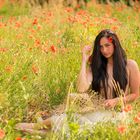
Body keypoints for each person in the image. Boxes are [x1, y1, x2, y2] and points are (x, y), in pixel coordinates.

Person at [15, 29, 140, 134]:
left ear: (115, 45)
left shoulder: (130, 65)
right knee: (69, 118)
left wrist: (116, 101)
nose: (104, 50)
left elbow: (135, 95)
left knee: (77, 125)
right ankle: (38, 128)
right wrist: (84, 60)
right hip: (98, 112)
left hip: (118, 115)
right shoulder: (96, 67)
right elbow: (81, 88)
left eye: (107, 45)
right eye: (100, 47)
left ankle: (38, 129)